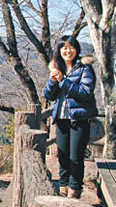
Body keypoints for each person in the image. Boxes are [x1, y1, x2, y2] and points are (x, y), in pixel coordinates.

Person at [43, 35, 98, 198]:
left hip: (79, 120)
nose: (68, 51)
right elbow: (49, 96)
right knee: (63, 156)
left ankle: (74, 190)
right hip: (61, 119)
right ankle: (63, 188)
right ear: (59, 51)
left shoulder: (85, 68)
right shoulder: (56, 67)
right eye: (64, 48)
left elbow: (86, 92)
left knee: (75, 157)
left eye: (71, 47)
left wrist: (63, 81)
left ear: (76, 49)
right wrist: (53, 81)